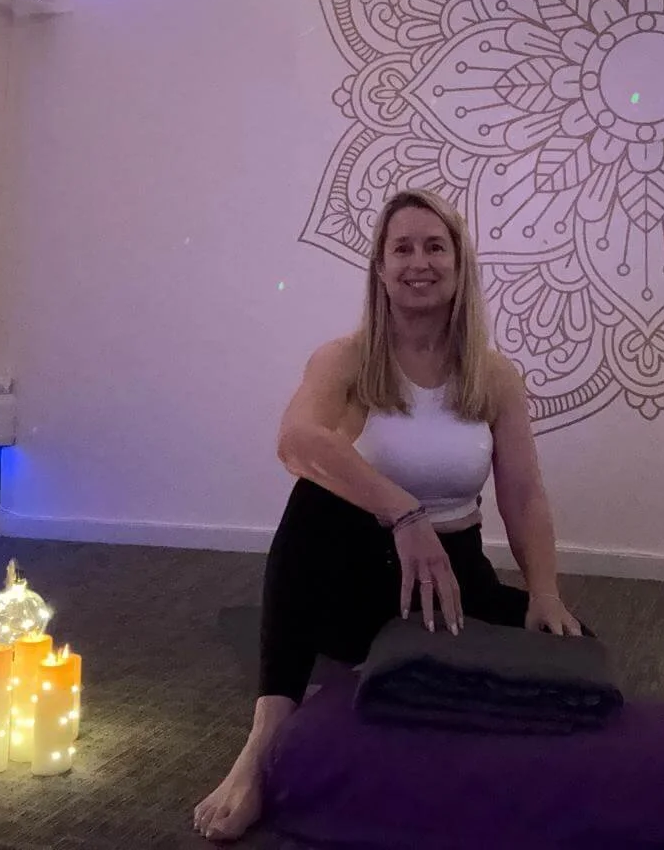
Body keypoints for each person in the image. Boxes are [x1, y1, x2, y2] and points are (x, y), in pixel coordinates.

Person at [193, 188, 586, 842]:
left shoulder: (494, 376)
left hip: (452, 580)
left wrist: (544, 593)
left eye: (435, 246)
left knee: (579, 654)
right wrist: (404, 513)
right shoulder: (343, 360)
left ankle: (380, 682)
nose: (418, 261)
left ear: (459, 267)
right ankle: (264, 742)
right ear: (380, 268)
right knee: (316, 494)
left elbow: (522, 493)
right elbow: (296, 441)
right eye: (401, 248)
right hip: (353, 573)